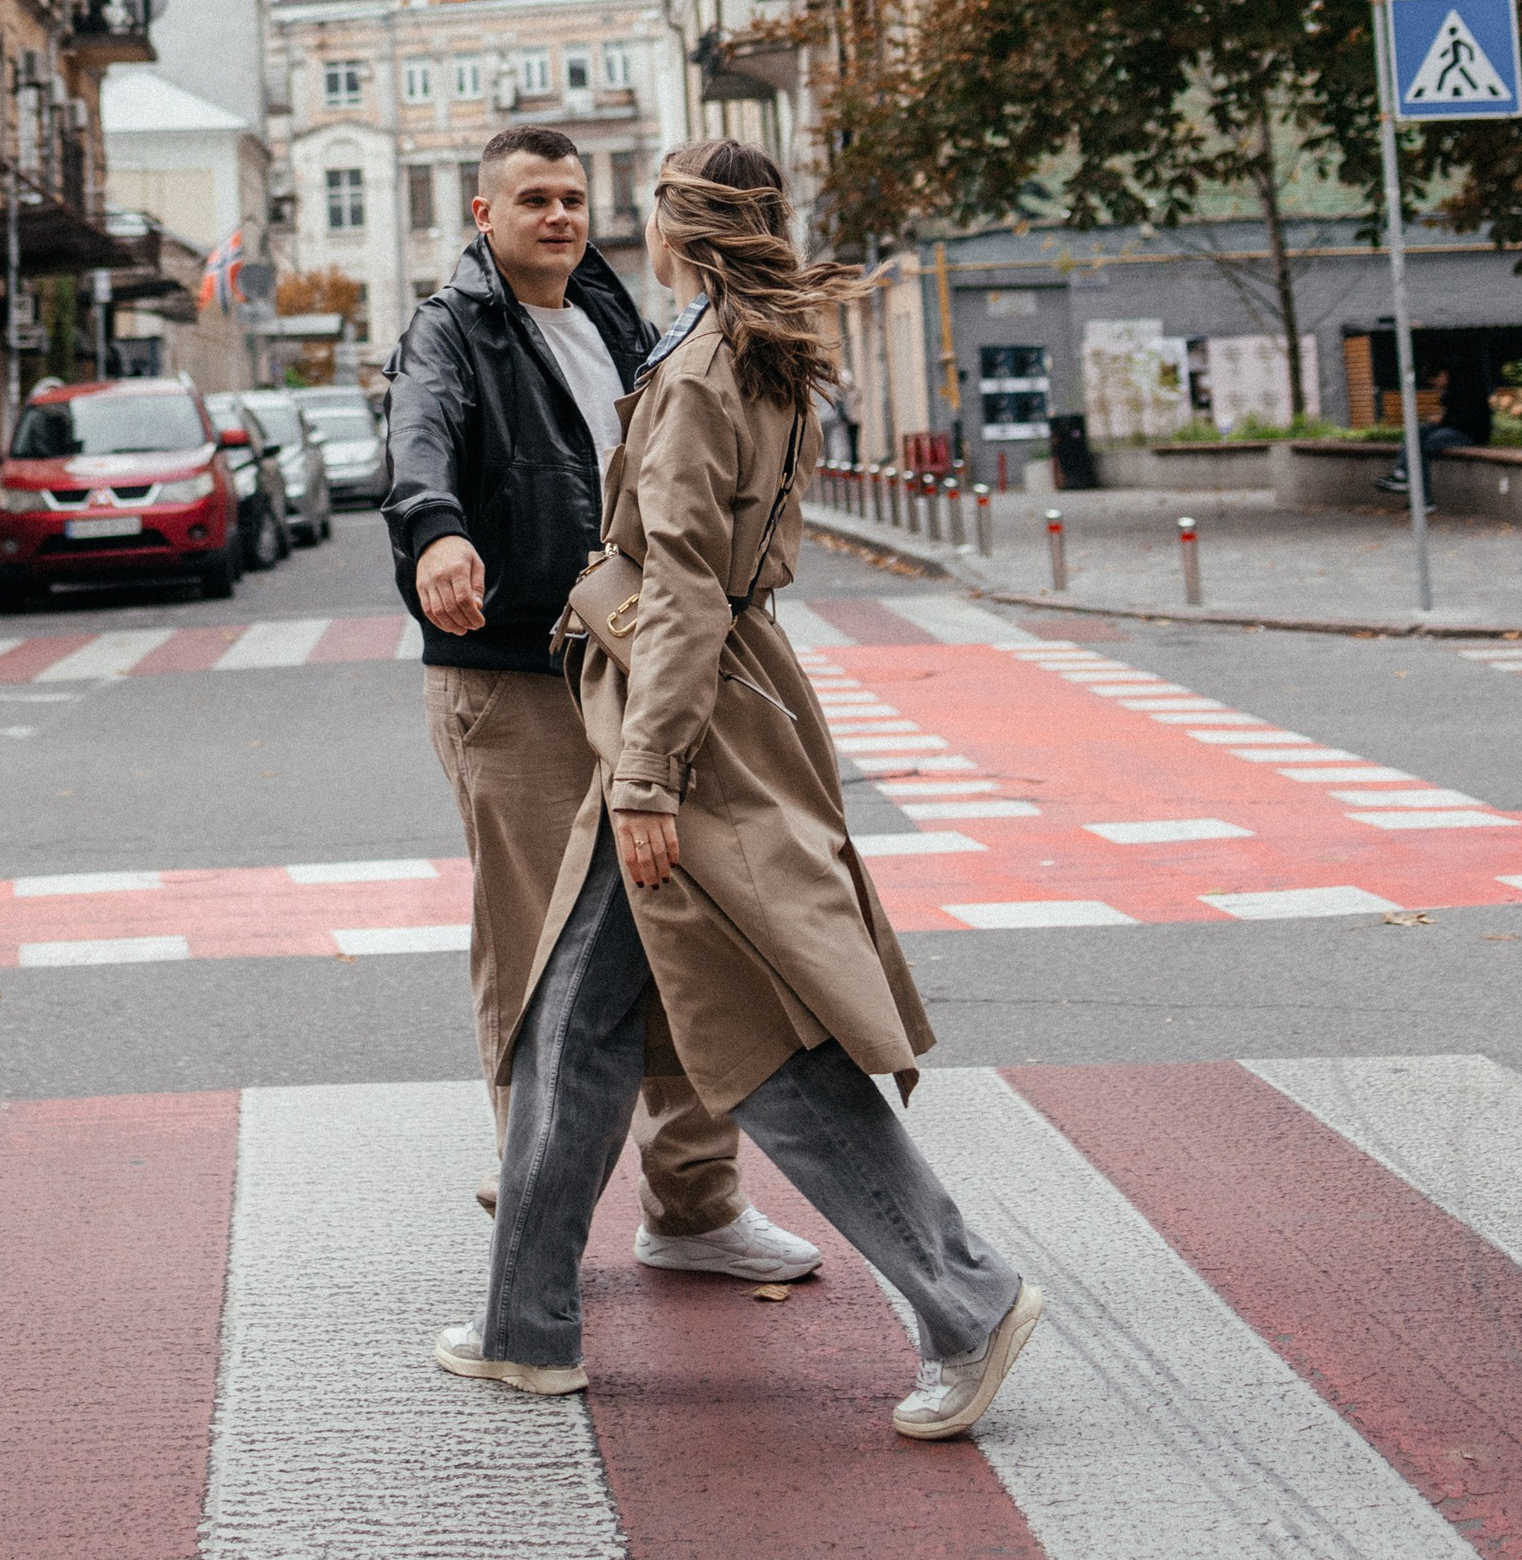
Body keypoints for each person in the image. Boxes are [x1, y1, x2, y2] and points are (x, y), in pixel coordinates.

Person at [435, 139, 1045, 1442]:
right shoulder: (743, 343)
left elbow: (687, 589)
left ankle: (968, 1300)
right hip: (693, 708)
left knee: (765, 1042)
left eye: (647, 207)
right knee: (572, 1022)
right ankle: (524, 1324)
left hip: (685, 728)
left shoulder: (706, 368)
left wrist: (649, 775)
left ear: (679, 227)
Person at [385, 122, 817, 1288]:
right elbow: (417, 443)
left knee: (682, 928)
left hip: (629, 668)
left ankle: (693, 1204)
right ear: (484, 215)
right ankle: (539, 1195)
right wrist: (437, 533)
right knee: (540, 952)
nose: (560, 216)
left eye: (573, 196)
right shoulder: (450, 330)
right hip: (510, 672)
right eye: (532, 198)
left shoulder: (622, 318)